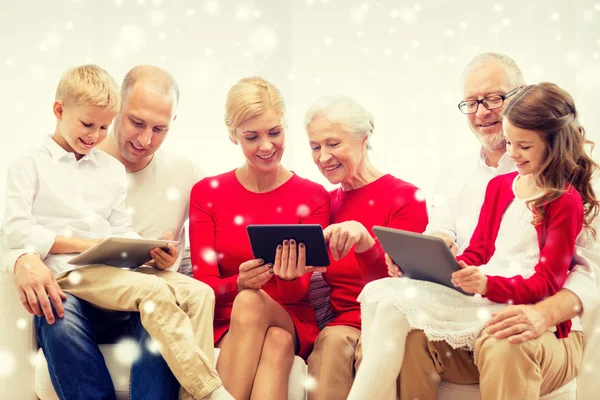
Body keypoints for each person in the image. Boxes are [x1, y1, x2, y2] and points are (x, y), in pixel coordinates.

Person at [351, 82, 599, 400]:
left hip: (525, 304)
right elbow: (477, 251)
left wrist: (487, 285)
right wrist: (430, 267)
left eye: (523, 146)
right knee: (387, 299)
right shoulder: (498, 186)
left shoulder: (566, 199)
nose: (512, 153)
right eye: (509, 142)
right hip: (485, 295)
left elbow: (553, 281)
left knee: (501, 342)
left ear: (554, 143)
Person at [3, 65, 230, 400]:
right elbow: (15, 230)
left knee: (199, 294)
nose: (95, 135)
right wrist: (74, 246)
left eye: (102, 127)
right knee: (153, 293)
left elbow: (121, 228)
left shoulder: (110, 169)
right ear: (59, 110)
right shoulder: (28, 164)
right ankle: (211, 392)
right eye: (88, 125)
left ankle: (190, 395)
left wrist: (155, 251)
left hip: (111, 273)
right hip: (70, 273)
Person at [189, 76, 330, 400]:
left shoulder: (312, 197)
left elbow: (298, 293)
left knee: (255, 305)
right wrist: (237, 284)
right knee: (275, 341)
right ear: (232, 135)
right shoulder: (207, 194)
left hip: (291, 314)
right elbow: (203, 285)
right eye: (252, 137)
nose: (266, 146)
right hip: (228, 322)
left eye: (275, 133)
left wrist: (289, 276)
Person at [303, 95, 429, 400]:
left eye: (333, 144)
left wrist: (365, 243)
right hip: (342, 324)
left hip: (391, 323)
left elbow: (398, 290)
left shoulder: (406, 198)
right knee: (332, 342)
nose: (323, 157)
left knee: (372, 351)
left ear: (364, 140)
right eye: (315, 146)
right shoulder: (325, 203)